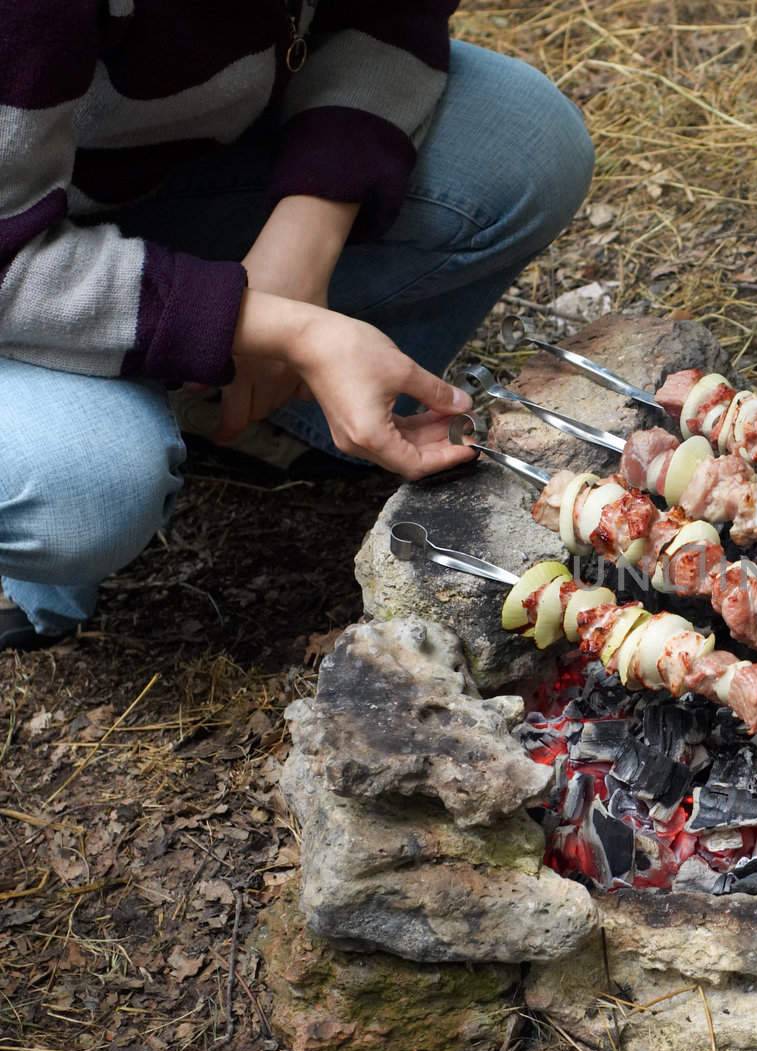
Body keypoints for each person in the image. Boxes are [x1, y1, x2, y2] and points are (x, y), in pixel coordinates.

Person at [0, 2, 594, 649]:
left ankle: (228, 404)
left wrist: (302, 239)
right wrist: (269, 323)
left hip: (138, 172)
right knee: (88, 488)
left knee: (527, 139)